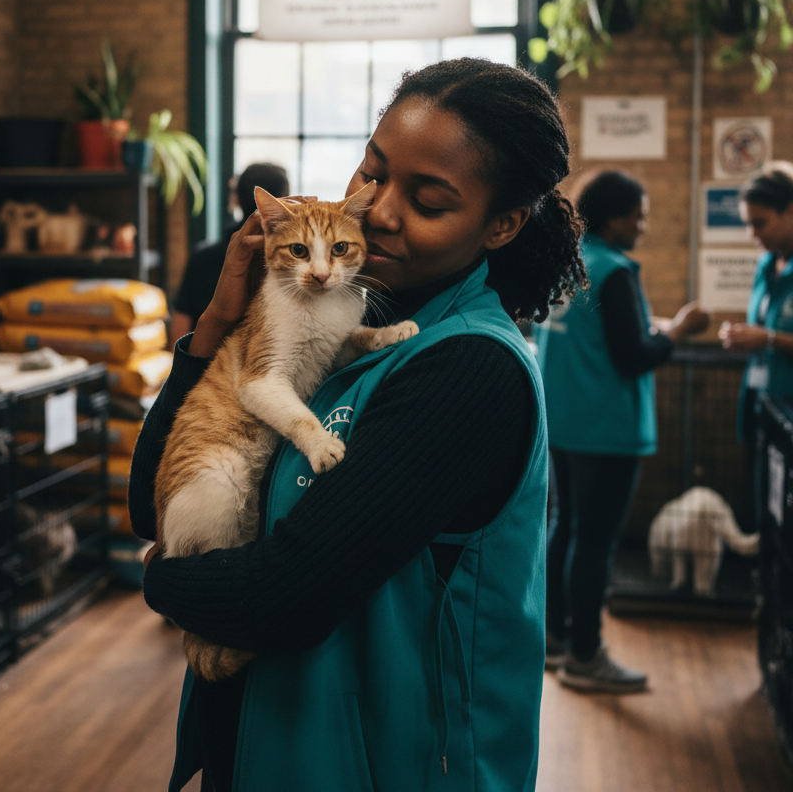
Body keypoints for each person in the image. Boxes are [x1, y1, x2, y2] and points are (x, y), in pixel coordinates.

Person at [129, 58, 587, 792]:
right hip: (272, 749)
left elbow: (279, 597)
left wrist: (160, 580)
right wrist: (221, 321)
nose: (378, 210)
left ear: (499, 224)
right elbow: (149, 500)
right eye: (372, 171)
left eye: (428, 200)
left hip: (385, 765)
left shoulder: (468, 370)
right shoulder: (342, 312)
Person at [535, 170, 709, 694]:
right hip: (605, 430)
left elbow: (598, 333)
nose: (644, 225)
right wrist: (678, 329)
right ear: (615, 218)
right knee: (595, 544)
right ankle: (586, 656)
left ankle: (555, 640)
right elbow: (634, 355)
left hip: (563, 424)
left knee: (565, 529)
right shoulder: (615, 271)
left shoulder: (566, 262)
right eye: (640, 215)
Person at [719, 163, 793, 508]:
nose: (753, 235)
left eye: (759, 223)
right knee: (765, 506)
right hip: (761, 402)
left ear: (790, 210)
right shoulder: (766, 266)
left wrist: (767, 339)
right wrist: (741, 336)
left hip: (789, 409)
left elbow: (770, 334)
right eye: (748, 224)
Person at [169, 163, 289, 345]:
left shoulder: (202, 258)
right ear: (285, 202)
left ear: (237, 199)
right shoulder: (289, 263)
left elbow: (179, 328)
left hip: (201, 362)